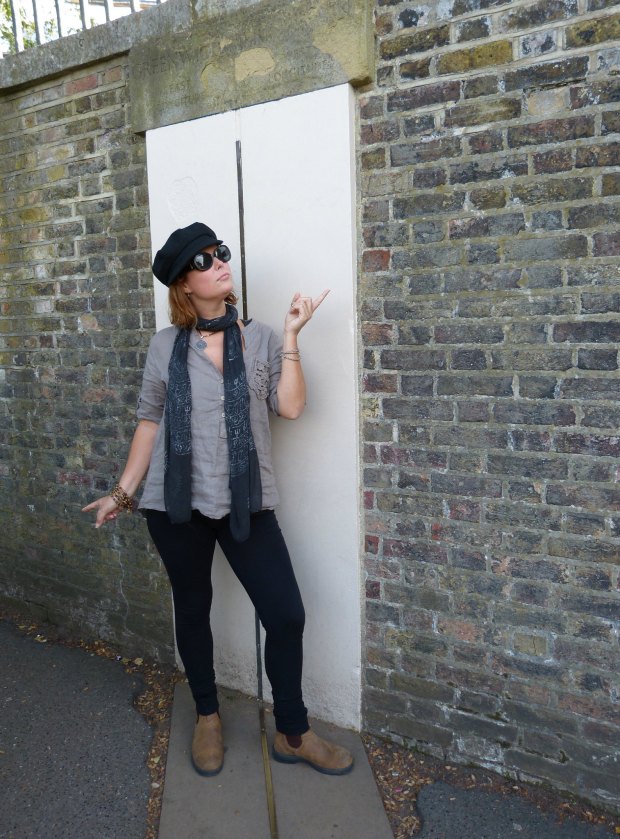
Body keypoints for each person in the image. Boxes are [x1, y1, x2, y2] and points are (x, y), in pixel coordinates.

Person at [82, 222, 354, 777]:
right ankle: (207, 715)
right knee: (193, 607)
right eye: (203, 261)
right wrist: (123, 492)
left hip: (245, 501)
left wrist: (294, 336)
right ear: (184, 284)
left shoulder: (262, 338)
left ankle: (293, 733)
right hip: (173, 505)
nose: (219, 263)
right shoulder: (165, 346)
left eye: (220, 253)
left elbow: (290, 407)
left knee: (286, 615)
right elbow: (150, 420)